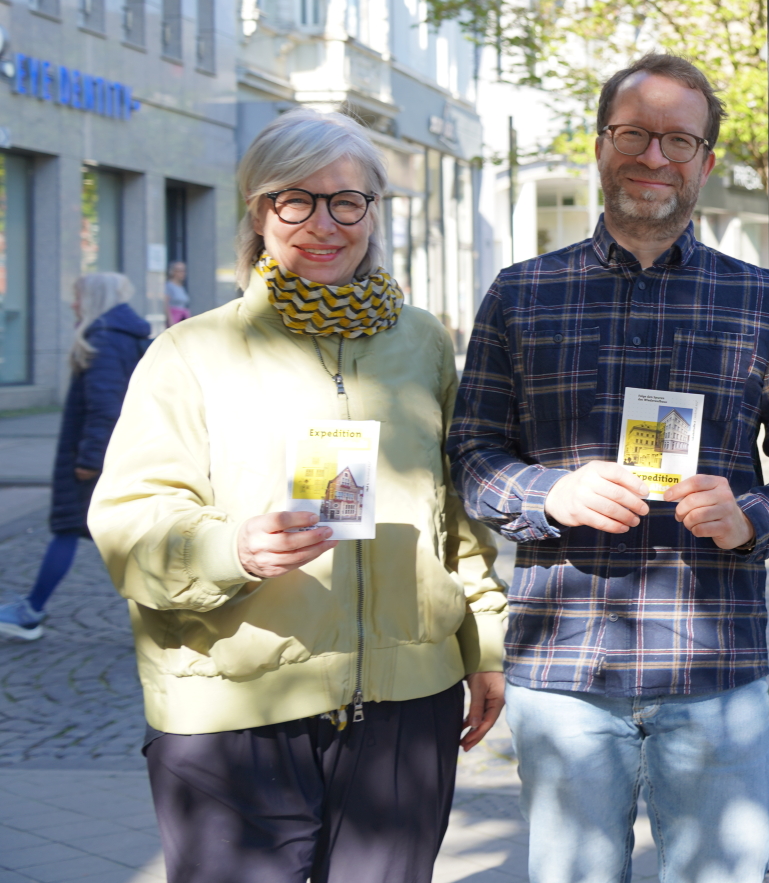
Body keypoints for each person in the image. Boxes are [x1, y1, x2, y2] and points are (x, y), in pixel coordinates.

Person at [451, 53, 769, 883]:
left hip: (713, 672)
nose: (654, 157)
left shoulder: (761, 302)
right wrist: (550, 492)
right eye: (634, 134)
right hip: (565, 674)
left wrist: (754, 517)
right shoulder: (521, 296)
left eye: (679, 140)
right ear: (601, 145)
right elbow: (472, 456)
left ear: (706, 161)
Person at [89, 108, 509, 883]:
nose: (323, 224)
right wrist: (232, 549)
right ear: (258, 212)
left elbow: (457, 519)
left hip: (405, 704)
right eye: (295, 200)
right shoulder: (191, 352)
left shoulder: (422, 344)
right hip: (233, 712)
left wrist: (483, 648)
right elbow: (130, 523)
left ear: (373, 211)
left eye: (346, 201)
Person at [0, 273, 148, 641]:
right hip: (107, 455)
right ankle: (31, 609)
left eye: (78, 297)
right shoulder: (117, 335)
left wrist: (89, 461)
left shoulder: (105, 339)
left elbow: (105, 407)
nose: (73, 304)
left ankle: (31, 611)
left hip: (94, 460)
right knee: (113, 539)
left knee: (73, 530)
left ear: (95, 299)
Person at [164, 259, 191, 326]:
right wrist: (170, 321)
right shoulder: (169, 286)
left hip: (183, 318)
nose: (183, 273)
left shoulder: (181, 287)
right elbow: (166, 304)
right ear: (173, 272)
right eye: (180, 271)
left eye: (184, 271)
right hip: (175, 319)